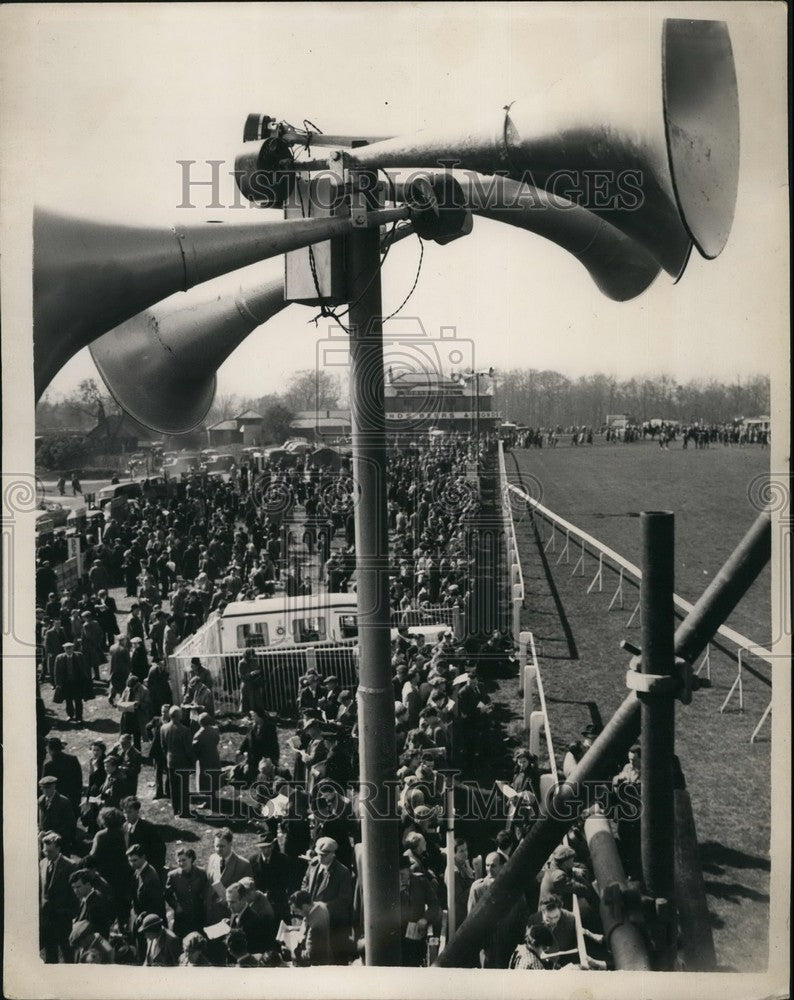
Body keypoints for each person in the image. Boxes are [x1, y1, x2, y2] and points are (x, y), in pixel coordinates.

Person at [300, 836, 354, 965]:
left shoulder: (342, 872)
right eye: (318, 854)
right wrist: (304, 899)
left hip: (333, 924)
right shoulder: (313, 865)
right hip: (312, 921)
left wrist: (321, 908)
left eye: (324, 855)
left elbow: (344, 900)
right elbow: (305, 884)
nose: (320, 858)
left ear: (333, 854)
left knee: (334, 961)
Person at [84, 807, 133, 926]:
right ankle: (123, 926)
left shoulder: (100, 835)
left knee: (107, 901)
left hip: (105, 873)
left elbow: (93, 855)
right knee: (122, 901)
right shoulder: (124, 833)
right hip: (122, 871)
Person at [39, 831, 78, 962]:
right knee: (50, 953)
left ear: (58, 848)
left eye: (50, 851)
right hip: (47, 917)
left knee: (67, 951)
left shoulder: (70, 866)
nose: (46, 854)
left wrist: (71, 913)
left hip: (63, 916)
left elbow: (74, 893)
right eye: (44, 851)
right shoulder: (42, 863)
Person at [398, 854, 441, 967]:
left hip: (416, 936)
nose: (400, 878)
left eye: (402, 874)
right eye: (397, 875)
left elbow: (434, 905)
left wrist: (425, 919)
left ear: (409, 871)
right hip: (397, 938)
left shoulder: (421, 882)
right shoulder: (390, 886)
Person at [205, 828, 254, 925]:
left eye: (222, 846)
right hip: (211, 915)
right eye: (216, 846)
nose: (218, 849)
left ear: (230, 844)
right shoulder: (212, 858)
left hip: (230, 917)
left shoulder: (243, 865)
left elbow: (248, 895)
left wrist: (228, 900)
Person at [248, 830, 292, 927]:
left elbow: (286, 883)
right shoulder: (252, 861)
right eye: (263, 848)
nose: (266, 851)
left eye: (268, 847)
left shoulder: (283, 860)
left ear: (273, 845)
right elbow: (251, 882)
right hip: (259, 903)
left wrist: (270, 894)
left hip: (278, 902)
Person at [165, 848, 212, 939]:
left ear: (191, 858)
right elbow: (167, 894)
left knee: (199, 940)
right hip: (182, 916)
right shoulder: (173, 876)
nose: (181, 863)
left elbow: (206, 891)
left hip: (198, 915)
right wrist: (176, 906)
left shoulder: (201, 873)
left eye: (184, 860)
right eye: (179, 861)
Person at [158, 705, 193, 818]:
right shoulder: (185, 730)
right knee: (183, 788)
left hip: (171, 761)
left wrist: (168, 756)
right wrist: (192, 761)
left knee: (173, 787)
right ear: (179, 716)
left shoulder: (163, 728)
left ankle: (175, 809)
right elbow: (188, 749)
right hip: (183, 762)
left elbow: (163, 746)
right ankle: (184, 811)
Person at [121, 797, 166, 874]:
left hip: (145, 869)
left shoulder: (148, 828)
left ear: (137, 811)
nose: (126, 815)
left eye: (129, 812)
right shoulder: (124, 826)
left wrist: (153, 869)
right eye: (124, 812)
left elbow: (160, 849)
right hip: (130, 868)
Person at [41, 737, 83, 815]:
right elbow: (79, 781)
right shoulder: (73, 759)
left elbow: (45, 786)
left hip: (57, 802)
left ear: (49, 749)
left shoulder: (48, 766)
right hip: (73, 799)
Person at [53, 640, 92, 725]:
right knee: (68, 700)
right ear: (64, 649)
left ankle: (79, 717)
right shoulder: (59, 658)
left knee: (78, 700)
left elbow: (85, 668)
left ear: (73, 648)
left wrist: (86, 680)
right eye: (67, 649)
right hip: (66, 683)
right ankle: (70, 715)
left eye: (70, 648)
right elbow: (56, 672)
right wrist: (58, 683)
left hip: (77, 682)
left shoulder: (79, 656)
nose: (69, 650)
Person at [290, 889, 332, 966]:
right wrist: (294, 929)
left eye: (297, 911)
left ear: (304, 906)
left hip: (316, 964)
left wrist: (292, 949)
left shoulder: (314, 927)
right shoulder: (321, 905)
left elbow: (310, 955)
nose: (297, 914)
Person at [69, 868, 113, 939]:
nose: (75, 891)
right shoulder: (85, 900)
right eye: (73, 887)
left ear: (88, 885)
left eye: (78, 887)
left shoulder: (96, 902)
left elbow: (96, 930)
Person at [37, 776, 76, 851]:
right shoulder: (41, 800)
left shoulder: (64, 802)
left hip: (59, 843)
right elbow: (39, 819)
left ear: (54, 787)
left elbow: (70, 824)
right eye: (43, 788)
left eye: (48, 788)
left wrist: (55, 832)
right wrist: (39, 830)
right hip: (43, 842)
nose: (45, 790)